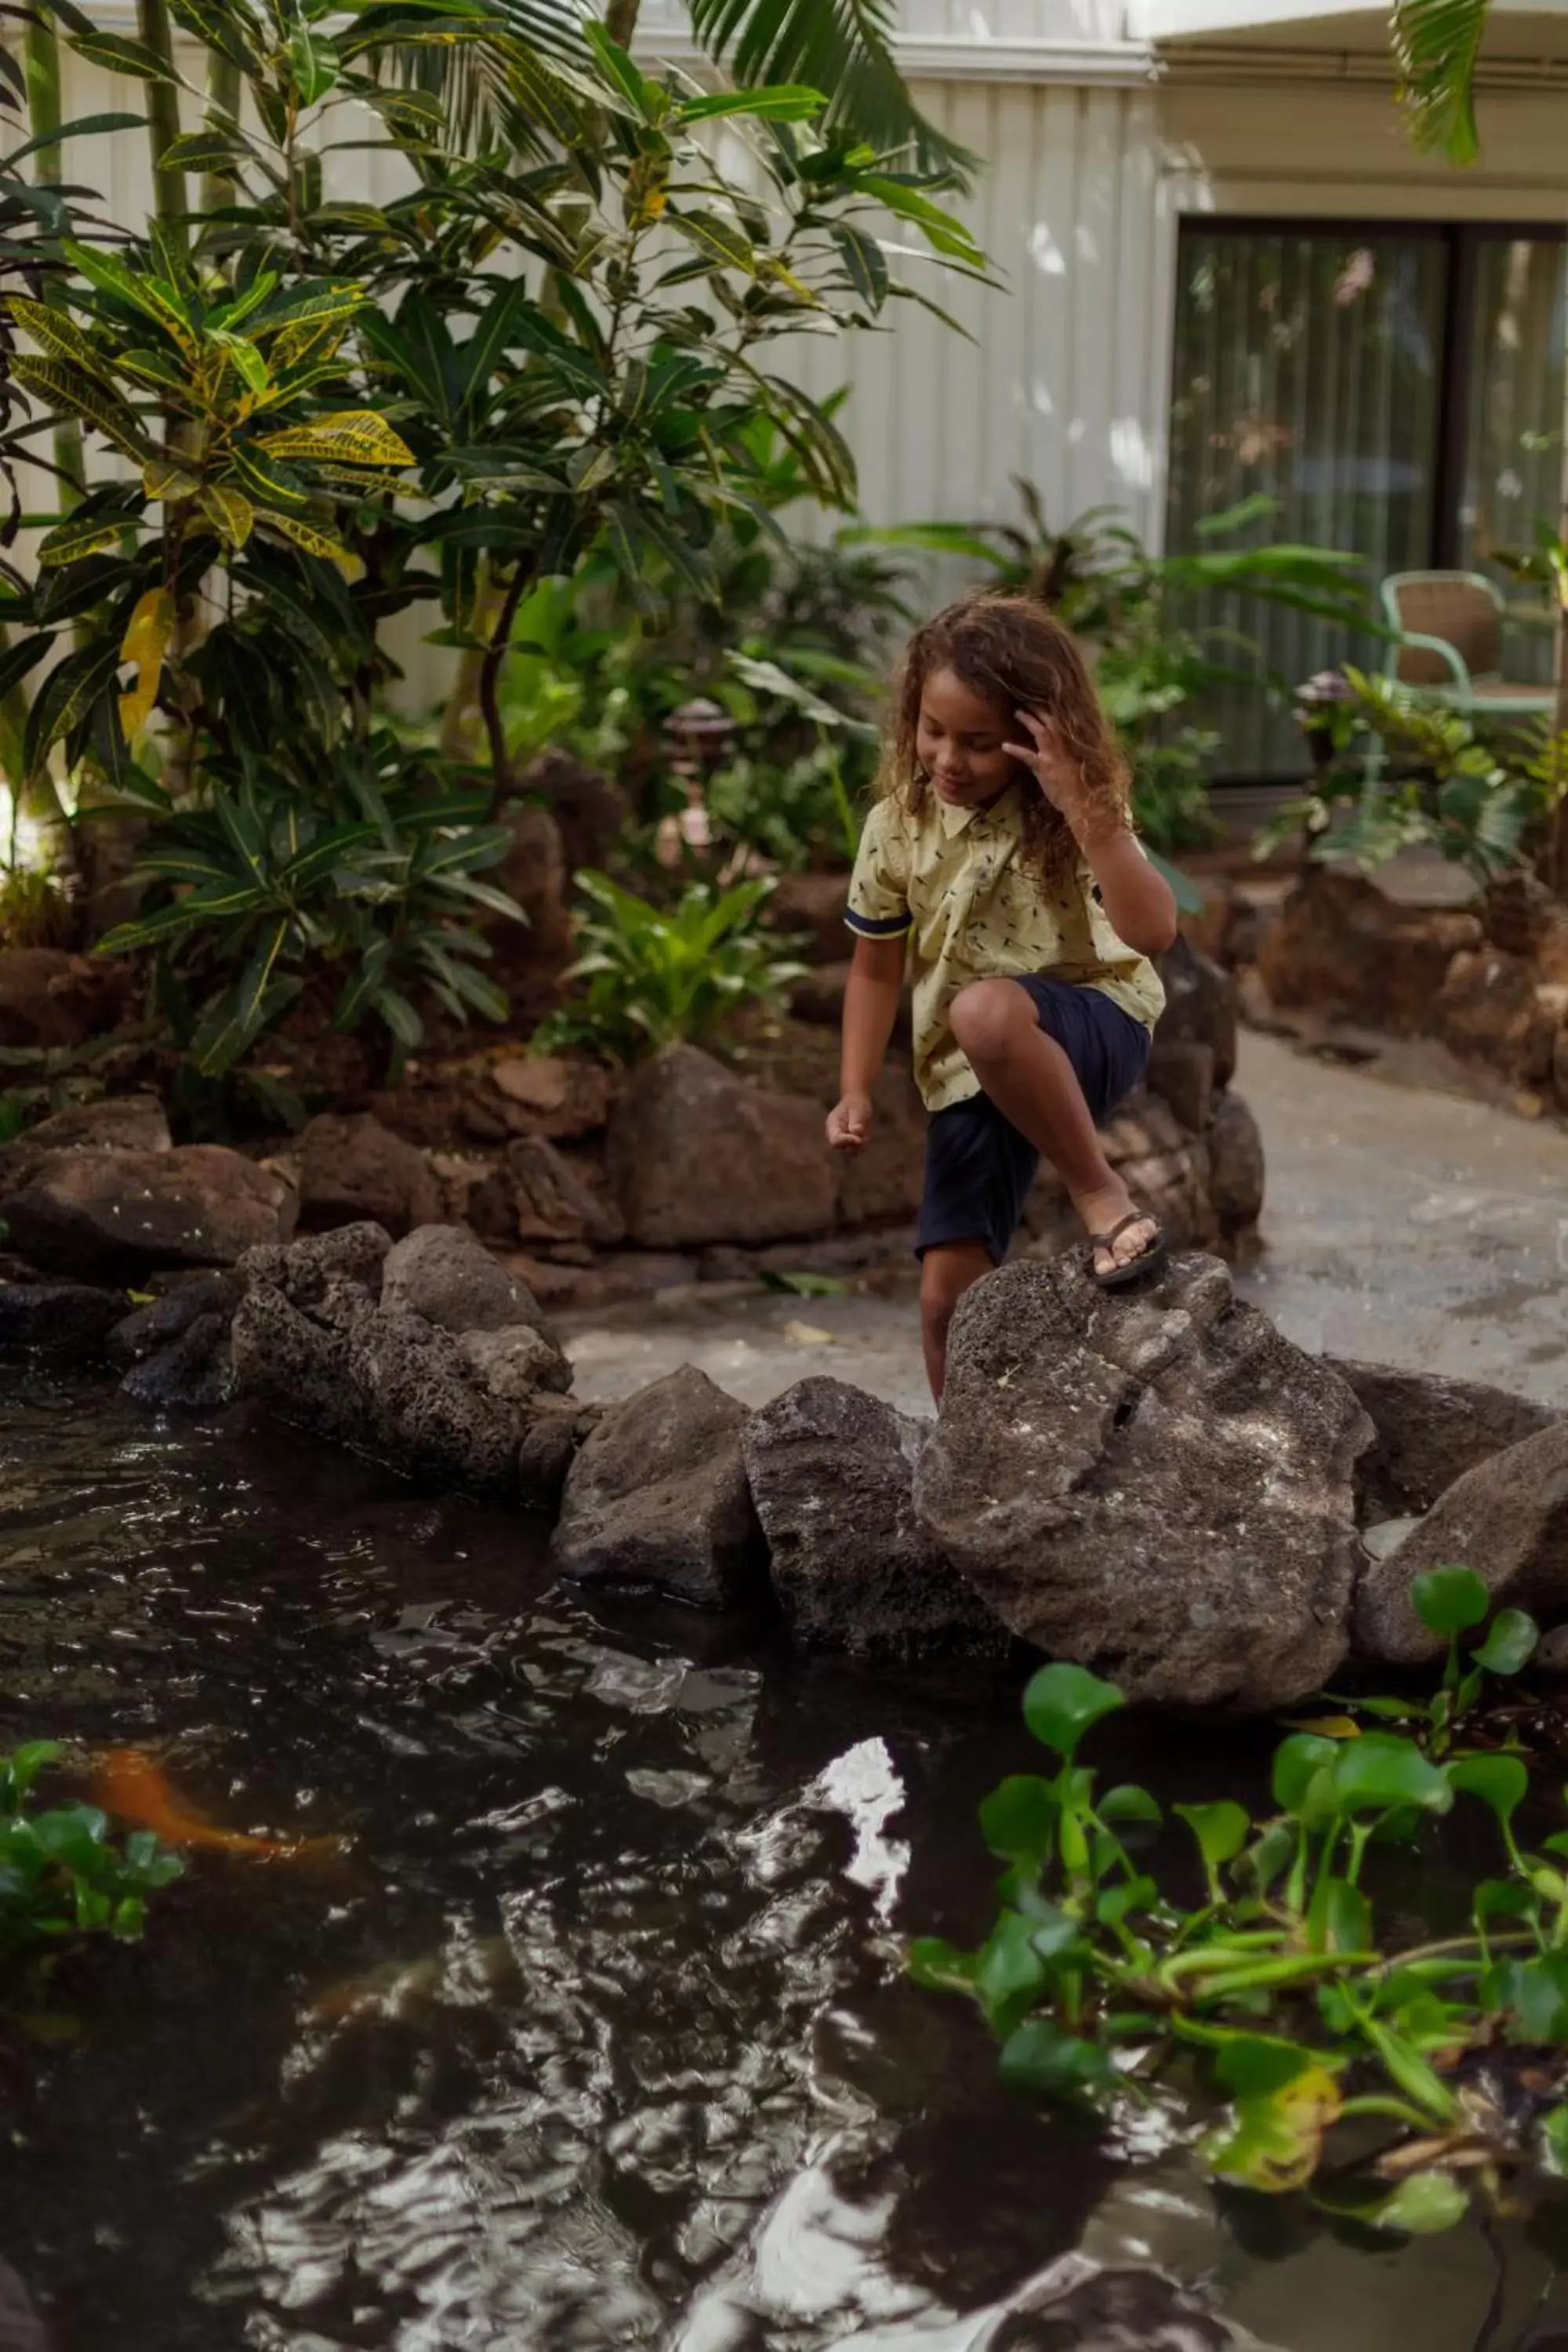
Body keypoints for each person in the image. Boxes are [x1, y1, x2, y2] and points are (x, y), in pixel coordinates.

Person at [826, 592, 1178, 1403]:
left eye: (979, 743)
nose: (948, 758)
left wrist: (1082, 808)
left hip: (1092, 1023)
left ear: (1032, 735)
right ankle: (963, 1462)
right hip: (967, 1071)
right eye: (932, 731)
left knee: (984, 1010)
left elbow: (1153, 930)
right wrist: (852, 1087)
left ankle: (1101, 1197)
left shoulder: (1073, 810)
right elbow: (873, 967)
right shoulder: (895, 823)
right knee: (943, 1298)